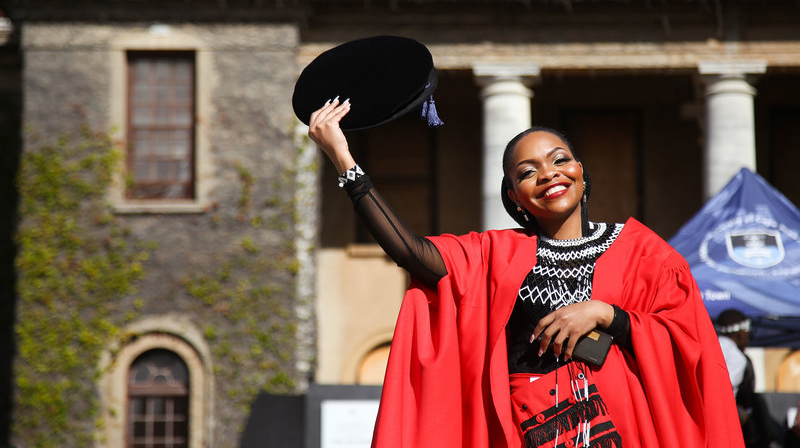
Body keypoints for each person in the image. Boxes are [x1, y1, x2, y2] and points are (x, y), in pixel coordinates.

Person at [308, 97, 744, 448]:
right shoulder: (495, 254)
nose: (548, 174)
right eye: (527, 172)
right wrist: (343, 158)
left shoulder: (644, 253)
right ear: (516, 198)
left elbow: (690, 345)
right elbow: (410, 251)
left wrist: (607, 314)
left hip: (622, 430)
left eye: (560, 160)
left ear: (581, 175)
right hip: (529, 429)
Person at [716, 309, 782, 448]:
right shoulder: (737, 358)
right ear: (740, 334)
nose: (748, 339)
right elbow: (720, 391)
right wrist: (740, 414)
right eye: (747, 334)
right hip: (722, 422)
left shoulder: (709, 347)